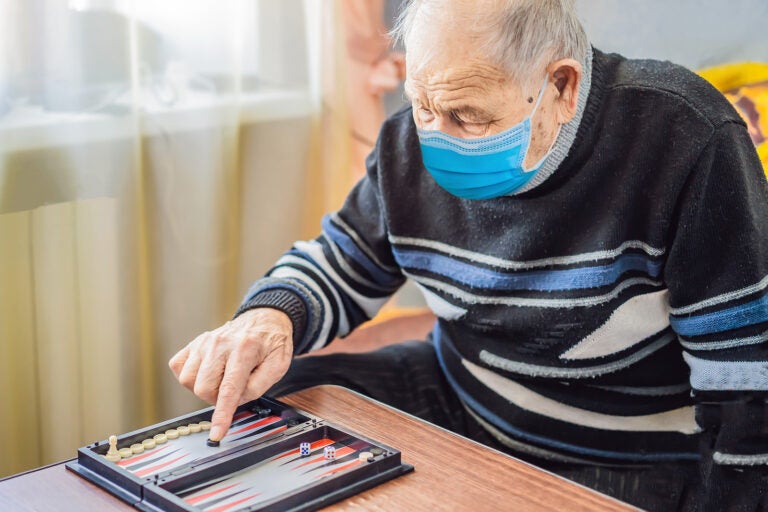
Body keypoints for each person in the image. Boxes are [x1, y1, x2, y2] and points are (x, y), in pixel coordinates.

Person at [168, 1, 768, 510]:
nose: (435, 135)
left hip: (622, 447)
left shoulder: (686, 138)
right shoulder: (409, 139)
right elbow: (345, 257)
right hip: (460, 392)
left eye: (467, 116)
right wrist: (270, 317)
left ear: (562, 86)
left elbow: (745, 375)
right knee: (274, 403)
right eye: (423, 104)